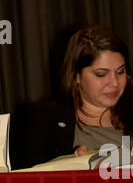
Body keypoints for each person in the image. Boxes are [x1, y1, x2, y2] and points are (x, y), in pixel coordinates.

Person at [10, 25, 131, 169]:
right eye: (101, 74)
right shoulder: (43, 119)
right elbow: (26, 177)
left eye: (120, 71)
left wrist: (107, 158)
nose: (115, 83)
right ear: (76, 75)